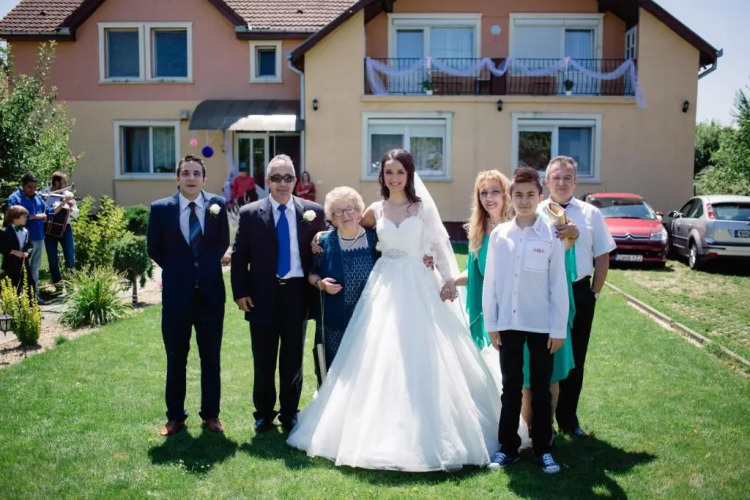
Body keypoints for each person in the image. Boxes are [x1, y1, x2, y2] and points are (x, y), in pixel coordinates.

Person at [287, 149, 501, 472]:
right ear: (382, 176)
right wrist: (322, 236)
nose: (395, 178)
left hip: (419, 283)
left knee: (424, 353)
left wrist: (447, 280)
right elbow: (348, 227)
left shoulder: (422, 208)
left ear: (409, 174)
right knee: (378, 353)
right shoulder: (375, 210)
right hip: (384, 285)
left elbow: (438, 245)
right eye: (389, 172)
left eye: (400, 172)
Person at [231, 154, 327, 433]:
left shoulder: (313, 212)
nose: (282, 183)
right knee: (263, 357)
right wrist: (240, 292)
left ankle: (289, 412)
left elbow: (325, 249)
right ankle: (263, 413)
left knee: (293, 358)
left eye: (287, 178)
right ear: (267, 181)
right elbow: (239, 256)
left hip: (297, 293)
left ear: (295, 180)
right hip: (262, 294)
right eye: (276, 178)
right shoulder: (250, 213)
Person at [483, 167, 568, 474]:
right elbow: (491, 282)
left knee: (542, 389)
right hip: (508, 324)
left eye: (530, 194)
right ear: (511, 197)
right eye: (518, 195)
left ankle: (543, 448)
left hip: (541, 325)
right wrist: (492, 323)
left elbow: (558, 284)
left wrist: (558, 328)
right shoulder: (500, 235)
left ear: (540, 196)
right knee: (511, 387)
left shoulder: (551, 236)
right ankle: (508, 448)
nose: (524, 200)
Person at [146, 155, 230, 436]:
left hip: (210, 295)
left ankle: (211, 415)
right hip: (176, 297)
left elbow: (222, 242)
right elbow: (154, 248)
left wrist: (202, 268)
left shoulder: (218, 205)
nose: (191, 178)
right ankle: (175, 417)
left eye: (196, 173)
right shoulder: (161, 209)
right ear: (177, 178)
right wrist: (180, 269)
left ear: (204, 178)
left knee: (211, 358)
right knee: (176, 358)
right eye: (186, 173)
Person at [541, 156, 616, 438]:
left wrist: (593, 293)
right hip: (544, 292)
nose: (561, 182)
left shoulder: (591, 214)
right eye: (556, 177)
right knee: (544, 354)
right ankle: (542, 418)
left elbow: (602, 256)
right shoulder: (535, 212)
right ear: (546, 181)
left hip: (579, 291)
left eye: (567, 178)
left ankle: (568, 419)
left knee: (576, 356)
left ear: (575, 182)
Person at [308, 186, 378, 380]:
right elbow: (312, 274)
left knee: (366, 371)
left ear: (359, 211)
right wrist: (321, 284)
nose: (345, 215)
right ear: (332, 217)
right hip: (333, 321)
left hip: (368, 318)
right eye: (338, 211)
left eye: (350, 209)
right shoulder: (324, 241)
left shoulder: (374, 239)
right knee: (335, 372)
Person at [8, 173, 47, 304]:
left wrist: (63, 203)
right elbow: (12, 217)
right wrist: (34, 216)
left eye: (35, 187)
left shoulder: (38, 198)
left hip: (39, 237)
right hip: (22, 240)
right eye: (30, 187)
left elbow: (47, 211)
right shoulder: (14, 198)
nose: (33, 190)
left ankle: (34, 296)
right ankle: (19, 298)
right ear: (23, 185)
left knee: (35, 269)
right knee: (22, 270)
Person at [43, 172, 78, 288]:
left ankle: (70, 286)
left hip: (65, 228)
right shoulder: (45, 193)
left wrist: (71, 207)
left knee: (70, 257)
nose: (66, 185)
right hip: (49, 228)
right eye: (64, 182)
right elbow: (45, 212)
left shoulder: (68, 194)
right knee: (52, 259)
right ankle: (58, 287)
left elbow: (76, 214)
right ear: (57, 183)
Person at [0, 205, 35, 299]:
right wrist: (12, 251)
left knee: (29, 284)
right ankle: (12, 304)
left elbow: (30, 245)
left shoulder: (25, 231)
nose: (26, 219)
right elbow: (1, 247)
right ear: (15, 217)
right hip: (10, 264)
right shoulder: (4, 231)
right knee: (12, 286)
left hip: (24, 263)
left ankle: (32, 304)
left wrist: (27, 252)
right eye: (24, 217)